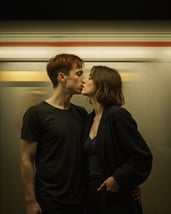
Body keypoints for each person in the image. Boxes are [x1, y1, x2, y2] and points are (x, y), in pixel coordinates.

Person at [20, 53, 88, 214]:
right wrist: (31, 200)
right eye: (79, 73)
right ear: (62, 77)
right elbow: (26, 158)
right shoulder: (37, 113)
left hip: (80, 200)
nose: (84, 79)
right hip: (49, 201)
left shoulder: (81, 114)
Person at [81, 65, 153, 214]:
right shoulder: (89, 119)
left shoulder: (117, 116)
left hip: (115, 198)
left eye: (89, 77)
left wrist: (118, 178)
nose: (84, 80)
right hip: (92, 196)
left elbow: (142, 157)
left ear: (102, 83)